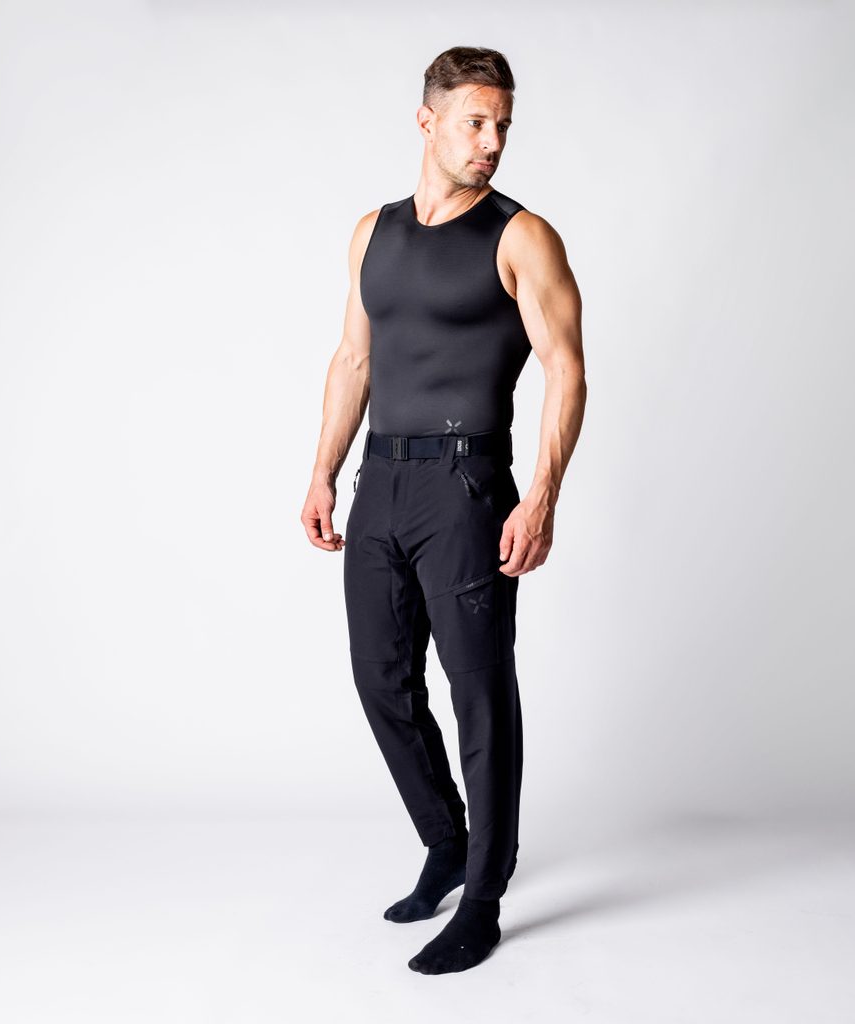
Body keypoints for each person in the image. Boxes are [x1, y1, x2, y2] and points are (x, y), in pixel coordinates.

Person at [301, 45, 586, 974]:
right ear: (427, 122)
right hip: (379, 480)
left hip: (467, 488)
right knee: (380, 680)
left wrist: (541, 495)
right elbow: (354, 360)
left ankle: (486, 897)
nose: (492, 141)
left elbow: (567, 371)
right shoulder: (372, 233)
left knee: (478, 692)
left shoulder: (521, 237)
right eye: (475, 122)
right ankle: (447, 842)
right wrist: (321, 472)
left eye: (503, 124)